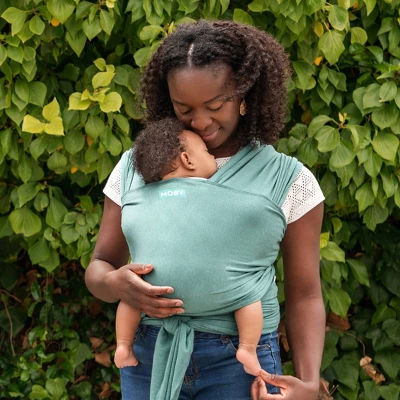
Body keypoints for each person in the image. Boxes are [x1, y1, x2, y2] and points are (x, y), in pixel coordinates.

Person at [85, 19, 325, 400]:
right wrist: (115, 284)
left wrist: (310, 384)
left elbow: (305, 296)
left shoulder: (289, 180)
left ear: (244, 94)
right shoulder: (138, 166)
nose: (200, 122)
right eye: (183, 109)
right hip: (149, 356)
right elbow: (99, 266)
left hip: (241, 363)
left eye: (215, 105)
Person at [114, 118, 263, 376]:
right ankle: (248, 349)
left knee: (131, 298)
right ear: (188, 160)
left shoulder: (145, 195)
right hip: (219, 285)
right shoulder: (217, 190)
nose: (213, 157)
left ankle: (123, 346)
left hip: (151, 284)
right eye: (206, 152)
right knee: (248, 296)